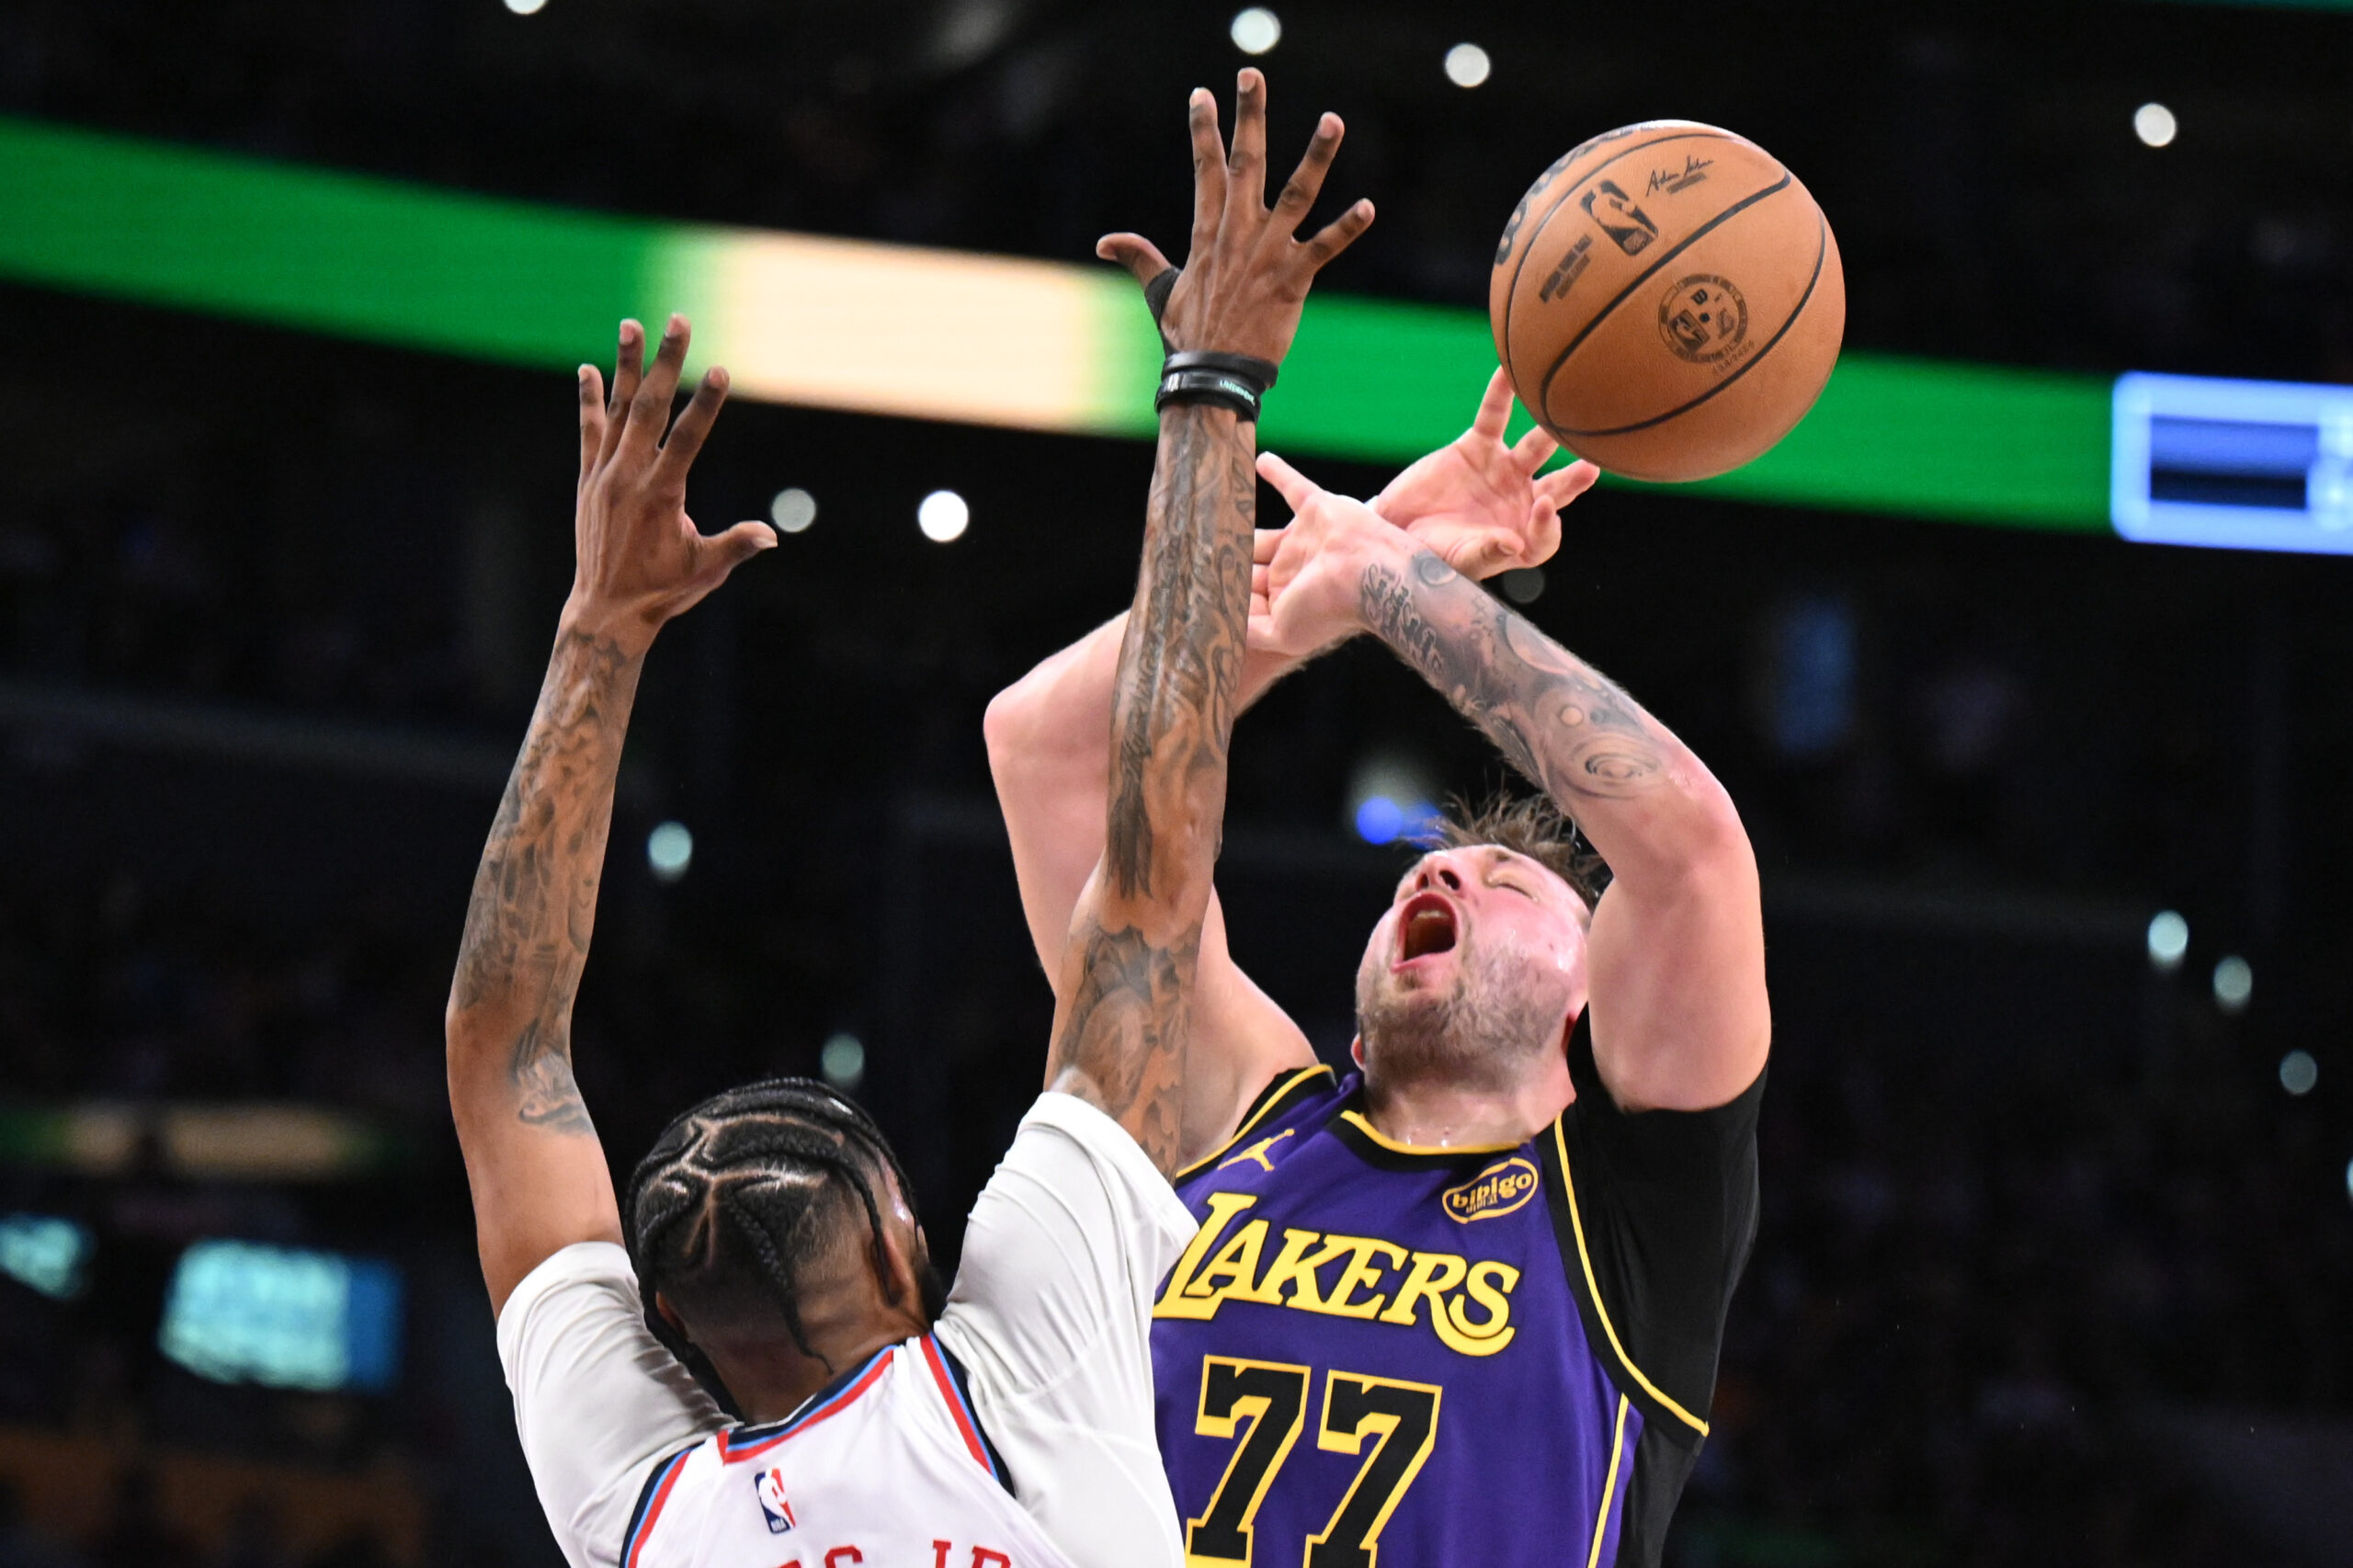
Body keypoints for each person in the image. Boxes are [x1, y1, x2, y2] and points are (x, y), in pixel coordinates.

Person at [446, 67, 1372, 1568]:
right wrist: (601, 627)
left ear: (666, 1331)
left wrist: (596, 634)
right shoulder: (1015, 1386)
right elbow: (1154, 838)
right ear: (898, 1241)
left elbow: (505, 1057)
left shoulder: (651, 1515)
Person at [984, 272, 1767, 1563]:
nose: (1437, 878)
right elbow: (1045, 751)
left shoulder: (1635, 1211)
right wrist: (1319, 578)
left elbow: (1688, 848)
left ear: (1594, 992)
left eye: (1506, 886)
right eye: (1425, 877)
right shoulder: (1239, 1109)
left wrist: (1400, 587)